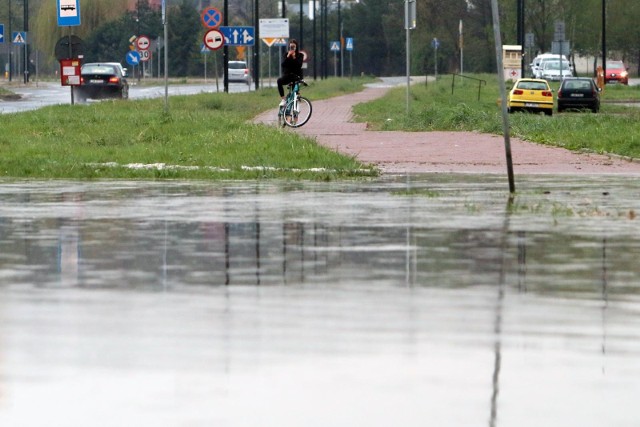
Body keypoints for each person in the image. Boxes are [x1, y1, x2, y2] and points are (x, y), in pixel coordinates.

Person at [277, 39, 304, 106]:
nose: (292, 48)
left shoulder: (300, 55)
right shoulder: (286, 54)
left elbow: (299, 65)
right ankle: (283, 99)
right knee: (279, 81)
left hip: (296, 76)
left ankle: (295, 109)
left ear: (296, 47)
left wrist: (294, 57)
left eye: (293, 46)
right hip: (288, 75)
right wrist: (288, 56)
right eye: (291, 46)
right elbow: (283, 65)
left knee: (295, 93)